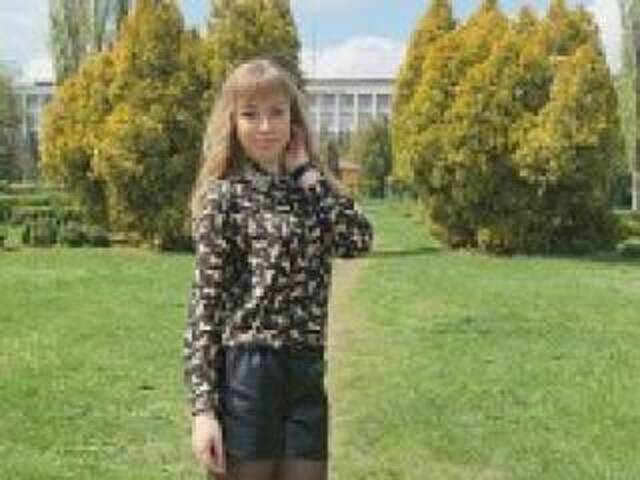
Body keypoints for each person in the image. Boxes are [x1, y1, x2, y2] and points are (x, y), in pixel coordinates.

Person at [183, 58, 373, 480]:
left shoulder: (312, 192)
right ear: (233, 122)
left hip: (305, 371)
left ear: (294, 120)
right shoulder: (224, 198)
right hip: (248, 374)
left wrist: (306, 173)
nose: (265, 126)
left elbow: (358, 239)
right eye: (251, 114)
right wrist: (203, 409)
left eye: (276, 112)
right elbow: (204, 309)